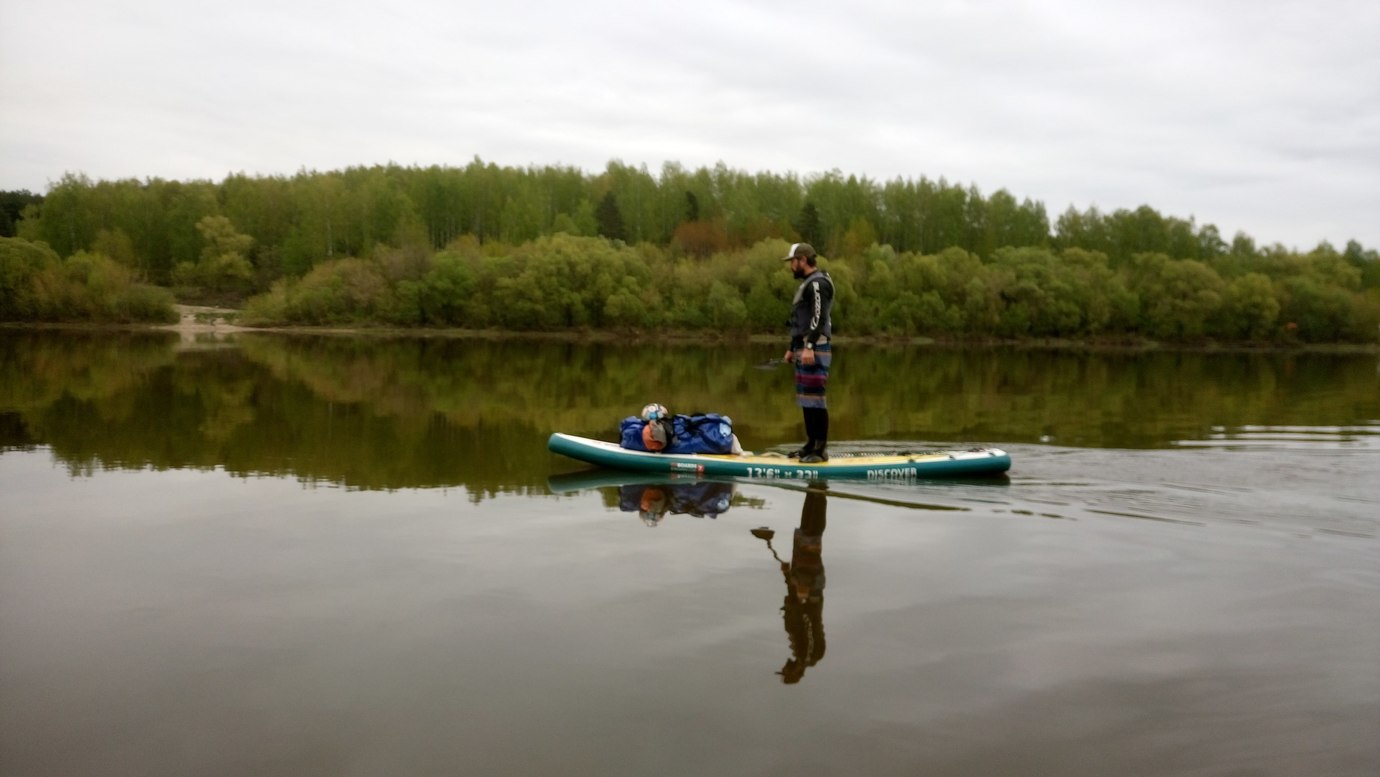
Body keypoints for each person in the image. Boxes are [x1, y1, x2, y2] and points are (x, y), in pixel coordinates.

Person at [781, 242, 834, 463]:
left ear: (802, 260)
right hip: (804, 348)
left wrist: (810, 346)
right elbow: (800, 321)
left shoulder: (818, 284)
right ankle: (810, 443)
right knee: (806, 398)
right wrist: (793, 348)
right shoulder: (807, 285)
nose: (790, 266)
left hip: (816, 347)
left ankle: (820, 449)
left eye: (792, 262)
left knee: (816, 398)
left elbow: (818, 317)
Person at [777, 481, 827, 684]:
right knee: (812, 535)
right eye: (786, 671)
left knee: (805, 533)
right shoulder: (810, 655)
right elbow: (810, 622)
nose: (784, 667)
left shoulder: (799, 651)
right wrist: (805, 598)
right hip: (810, 583)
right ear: (795, 673)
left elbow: (793, 609)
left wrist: (788, 577)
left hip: (800, 579)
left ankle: (813, 489)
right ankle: (819, 490)